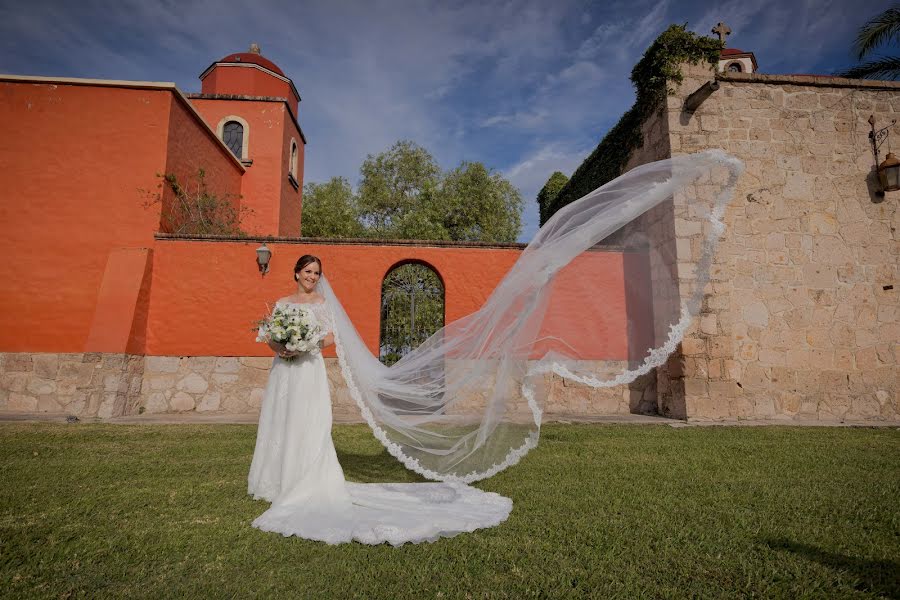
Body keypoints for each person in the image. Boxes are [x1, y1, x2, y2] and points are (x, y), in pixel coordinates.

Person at [248, 255, 512, 545]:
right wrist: (283, 346)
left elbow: (330, 337)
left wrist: (304, 344)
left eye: (316, 272)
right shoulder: (283, 303)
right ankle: (276, 480)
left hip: (308, 369)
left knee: (308, 423)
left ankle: (305, 480)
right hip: (284, 371)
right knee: (281, 420)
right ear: (296, 273)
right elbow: (270, 334)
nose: (312, 276)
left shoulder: (321, 304)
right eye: (308, 271)